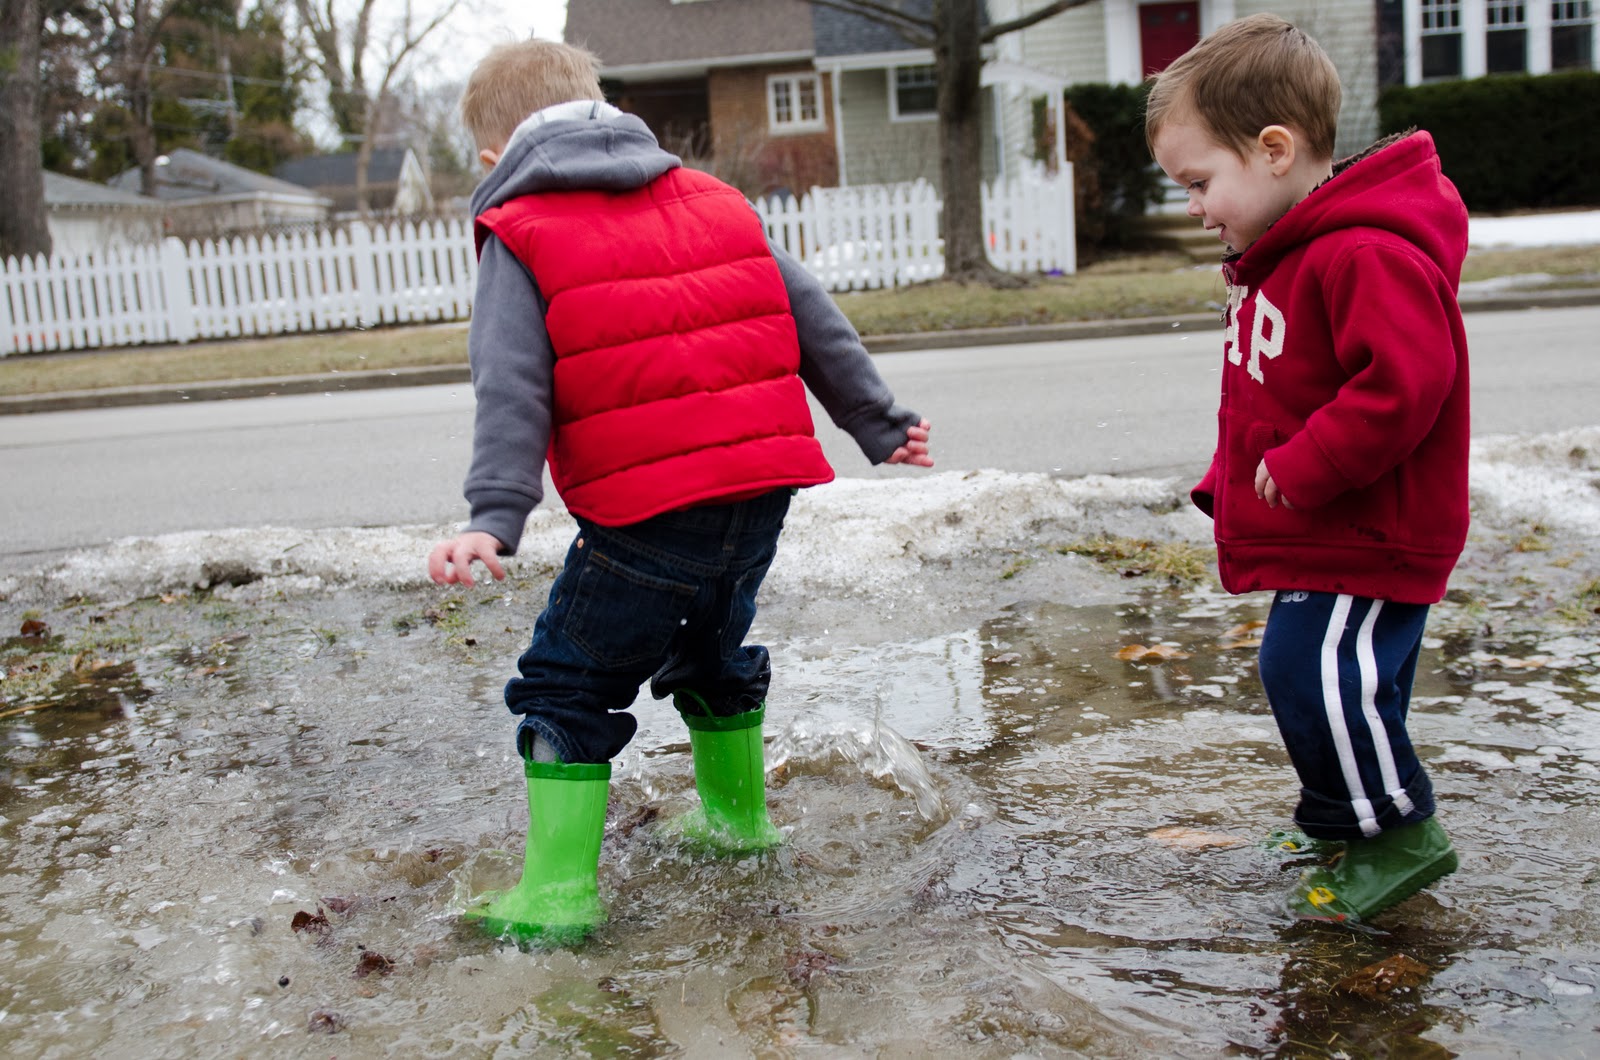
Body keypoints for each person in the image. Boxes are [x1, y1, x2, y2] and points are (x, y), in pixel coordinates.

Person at [428, 39, 934, 943]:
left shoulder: (521, 227)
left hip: (644, 516)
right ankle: (740, 827)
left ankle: (554, 899)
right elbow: (811, 314)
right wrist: (879, 422)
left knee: (564, 687)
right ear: (606, 108)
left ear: (491, 156)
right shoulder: (714, 198)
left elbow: (511, 383)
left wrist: (493, 518)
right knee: (710, 648)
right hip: (760, 492)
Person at [1145, 14, 1469, 923]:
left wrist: (1314, 460)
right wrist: (1234, 479)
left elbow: (1410, 382)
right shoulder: (1282, 259)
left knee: (1309, 671)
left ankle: (1399, 835)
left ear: (1275, 149)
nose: (1196, 208)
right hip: (1332, 521)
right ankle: (1340, 819)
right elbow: (1268, 395)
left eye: (1200, 182)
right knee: (1345, 681)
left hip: (1374, 525)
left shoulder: (1360, 251)